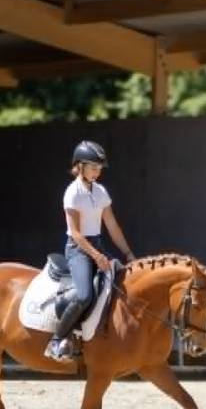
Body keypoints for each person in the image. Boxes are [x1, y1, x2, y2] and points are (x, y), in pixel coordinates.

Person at [45, 140, 136, 361]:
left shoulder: (101, 191)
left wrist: (128, 254)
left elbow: (112, 225)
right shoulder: (72, 192)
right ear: (80, 166)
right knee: (85, 294)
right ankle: (56, 340)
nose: (98, 171)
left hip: (97, 245)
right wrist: (95, 256)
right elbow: (75, 233)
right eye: (93, 167)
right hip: (77, 249)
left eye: (99, 168)